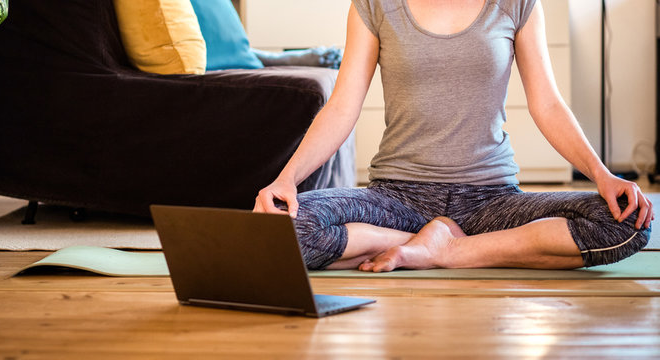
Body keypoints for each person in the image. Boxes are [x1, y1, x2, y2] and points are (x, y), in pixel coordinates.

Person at [253, 0, 653, 272]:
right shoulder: (375, 5)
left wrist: (602, 176)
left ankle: (448, 250)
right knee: (281, 231)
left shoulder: (517, 4)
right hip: (397, 198)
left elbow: (546, 104)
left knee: (627, 221)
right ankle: (424, 242)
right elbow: (342, 107)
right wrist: (286, 178)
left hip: (491, 201)